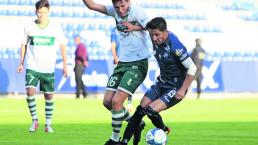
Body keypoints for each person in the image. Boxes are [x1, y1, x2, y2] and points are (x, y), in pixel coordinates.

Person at [118, 17, 197, 145]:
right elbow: (146, 26)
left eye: (157, 35)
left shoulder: (175, 45)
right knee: (140, 109)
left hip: (175, 87)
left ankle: (164, 130)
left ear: (165, 31)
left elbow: (192, 68)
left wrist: (182, 90)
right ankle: (124, 141)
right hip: (162, 82)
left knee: (151, 111)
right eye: (152, 35)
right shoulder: (156, 38)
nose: (154, 38)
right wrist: (133, 27)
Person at [82, 0, 150, 144]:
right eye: (116, 7)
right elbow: (92, 5)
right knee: (107, 102)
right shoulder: (115, 11)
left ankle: (115, 140)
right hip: (122, 63)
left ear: (128, 2)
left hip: (138, 64)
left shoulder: (137, 11)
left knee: (117, 101)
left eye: (122, 6)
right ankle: (135, 123)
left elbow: (152, 26)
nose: (119, 10)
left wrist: (134, 27)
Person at [17, 0, 68, 133]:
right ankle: (34, 120)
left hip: (48, 68)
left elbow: (63, 46)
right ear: (36, 12)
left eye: (44, 12)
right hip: (32, 66)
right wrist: (21, 63)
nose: (42, 15)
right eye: (39, 12)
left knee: (49, 96)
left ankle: (48, 124)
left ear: (48, 12)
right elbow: (23, 44)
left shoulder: (55, 27)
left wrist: (65, 65)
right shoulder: (29, 27)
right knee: (29, 91)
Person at [110, 27, 133, 112]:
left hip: (128, 60)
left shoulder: (130, 28)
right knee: (123, 84)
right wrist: (115, 57)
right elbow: (113, 45)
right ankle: (120, 103)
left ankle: (129, 104)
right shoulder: (115, 30)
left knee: (128, 83)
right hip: (120, 61)